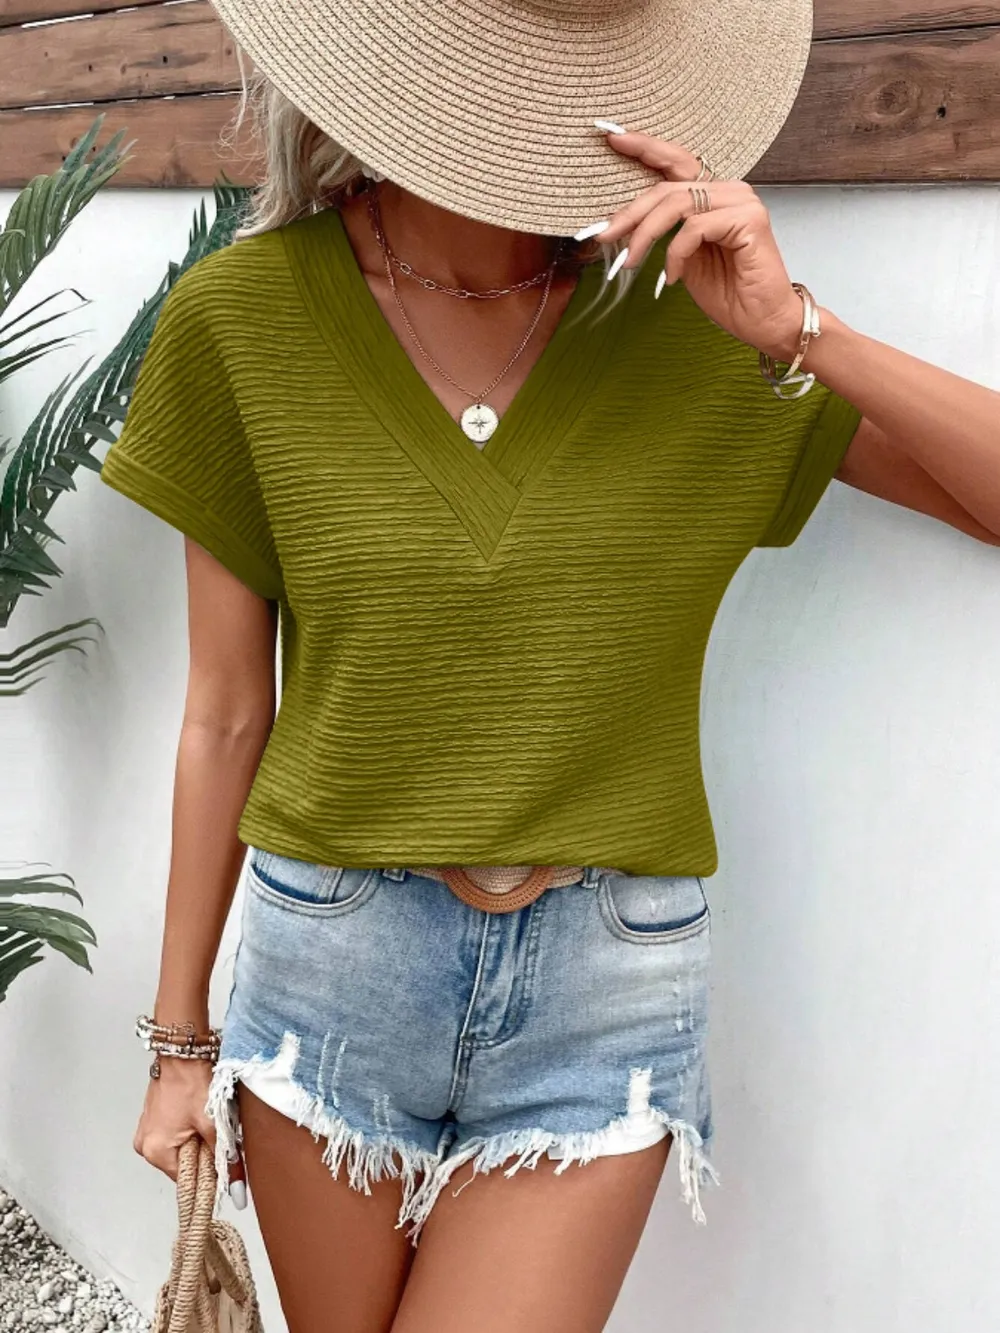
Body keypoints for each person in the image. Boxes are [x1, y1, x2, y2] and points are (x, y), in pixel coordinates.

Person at [100, 1, 1000, 1329]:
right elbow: (228, 713)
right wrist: (179, 1045)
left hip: (605, 989)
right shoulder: (241, 319)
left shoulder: (703, 331)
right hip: (333, 969)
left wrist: (800, 326)